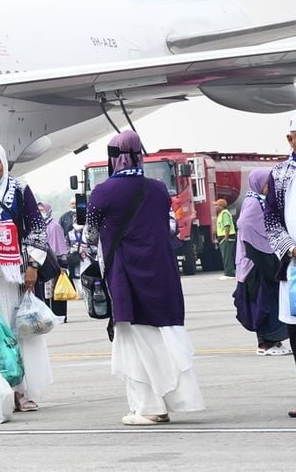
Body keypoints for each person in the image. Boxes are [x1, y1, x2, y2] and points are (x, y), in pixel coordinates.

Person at [87, 130, 204, 425]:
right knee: (161, 337)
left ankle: (150, 407)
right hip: (161, 272)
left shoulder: (101, 192)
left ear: (113, 157)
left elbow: (89, 237)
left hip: (125, 275)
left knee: (134, 341)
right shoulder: (158, 189)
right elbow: (171, 229)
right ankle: (169, 400)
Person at [0, 141, 55, 412]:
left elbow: (37, 228)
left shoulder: (20, 190)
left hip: (20, 273)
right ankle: (4, 389)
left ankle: (24, 391)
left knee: (23, 331)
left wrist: (32, 264)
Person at [265, 116, 296, 418]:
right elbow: (270, 220)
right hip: (295, 269)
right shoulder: (279, 175)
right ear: (290, 140)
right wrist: (293, 250)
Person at [236, 169, 288, 356]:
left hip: (262, 258)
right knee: (263, 303)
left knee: (271, 300)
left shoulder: (259, 200)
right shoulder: (253, 203)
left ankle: (274, 342)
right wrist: (262, 252)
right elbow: (246, 226)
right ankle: (266, 344)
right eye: (268, 183)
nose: (270, 186)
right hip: (255, 263)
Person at [40, 202, 71, 320]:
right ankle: (49, 316)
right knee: (46, 292)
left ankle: (60, 315)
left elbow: (61, 247)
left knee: (58, 291)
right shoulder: (40, 226)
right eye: (39, 210)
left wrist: (63, 264)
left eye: (42, 210)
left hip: (55, 263)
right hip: (43, 262)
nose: (40, 212)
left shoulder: (55, 226)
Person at [216, 199, 237, 280]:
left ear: (221, 206)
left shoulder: (224, 214)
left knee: (227, 256)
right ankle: (227, 272)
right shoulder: (221, 213)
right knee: (225, 256)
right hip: (224, 238)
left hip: (226, 238)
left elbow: (227, 226)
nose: (215, 207)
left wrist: (226, 237)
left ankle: (229, 273)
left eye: (217, 205)